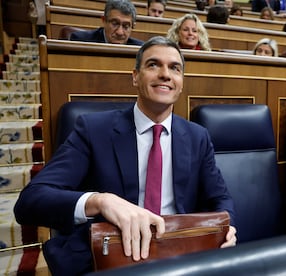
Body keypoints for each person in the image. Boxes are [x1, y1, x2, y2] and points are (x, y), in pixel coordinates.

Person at [14, 36, 237, 275]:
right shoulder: (93, 129)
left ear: (181, 83)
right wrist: (99, 201)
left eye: (175, 68)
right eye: (153, 65)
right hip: (114, 257)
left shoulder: (197, 136)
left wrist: (228, 227)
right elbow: (30, 201)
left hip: (179, 256)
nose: (165, 74)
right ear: (135, 76)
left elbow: (221, 199)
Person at [69, 0, 143, 45]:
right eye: (115, 24)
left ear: (133, 26)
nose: (120, 32)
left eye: (126, 26)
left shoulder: (140, 49)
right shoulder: (81, 41)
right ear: (104, 20)